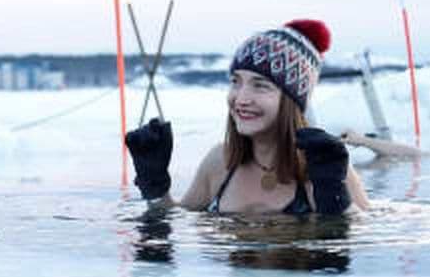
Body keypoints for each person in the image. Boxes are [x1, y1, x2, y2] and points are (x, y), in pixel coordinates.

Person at [125, 19, 369, 215]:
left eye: (260, 85)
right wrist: (155, 185)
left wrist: (336, 200)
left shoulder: (327, 168)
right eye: (236, 82)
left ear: (292, 100)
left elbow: (363, 244)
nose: (241, 98)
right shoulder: (220, 161)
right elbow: (176, 221)